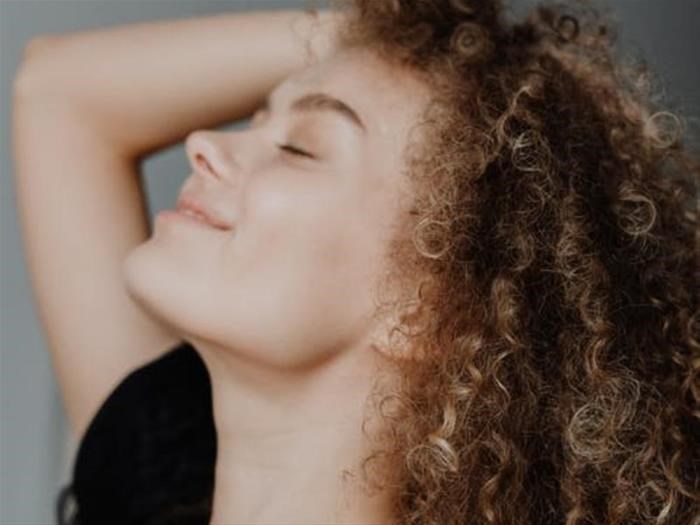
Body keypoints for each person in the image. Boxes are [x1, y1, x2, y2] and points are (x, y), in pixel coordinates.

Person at [11, 0, 698, 523]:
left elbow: (59, 96)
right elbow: (58, 93)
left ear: (421, 306)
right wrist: (412, 35)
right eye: (259, 120)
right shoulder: (161, 484)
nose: (202, 142)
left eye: (299, 148)